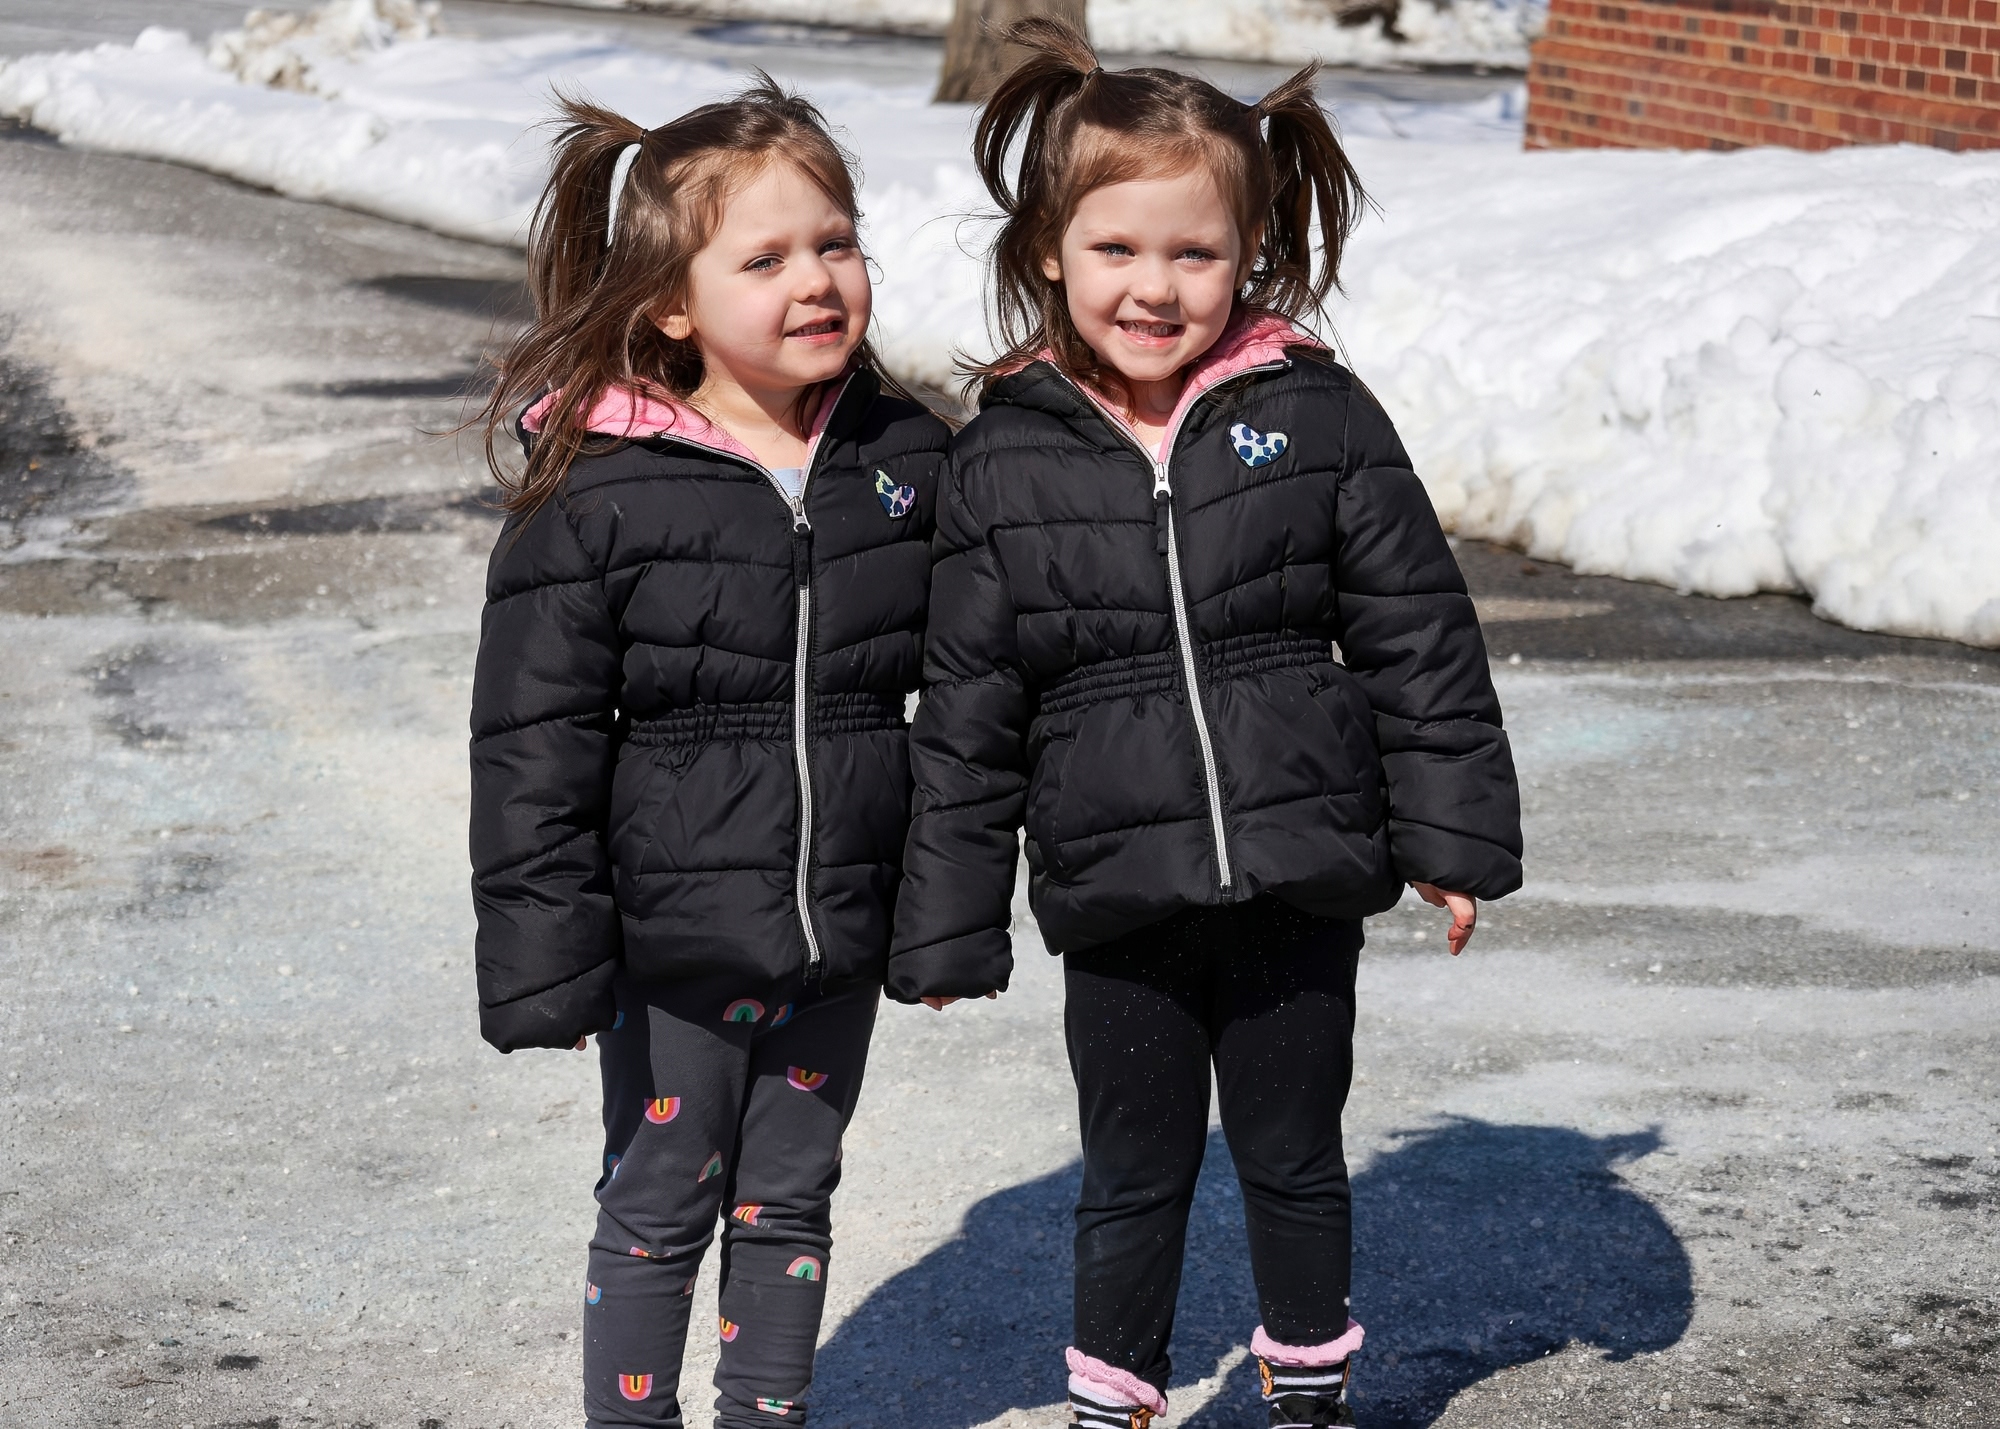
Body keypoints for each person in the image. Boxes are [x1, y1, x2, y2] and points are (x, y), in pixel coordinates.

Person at [887, 21, 1523, 1429]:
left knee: (1296, 1152)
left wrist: (1454, 832)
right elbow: (971, 710)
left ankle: (1308, 1393)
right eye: (1117, 250)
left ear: (1249, 254)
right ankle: (1118, 1397)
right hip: (1121, 897)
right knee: (1133, 1169)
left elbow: (1417, 630)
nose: (1156, 288)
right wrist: (943, 922)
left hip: (1299, 870)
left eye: (1194, 253)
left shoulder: (1316, 414)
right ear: (1050, 246)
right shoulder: (1005, 456)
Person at [466, 80, 946, 1429]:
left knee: (793, 1191)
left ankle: (762, 1417)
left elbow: (987, 670)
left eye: (837, 242)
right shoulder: (603, 488)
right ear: (671, 303)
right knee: (662, 1190)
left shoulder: (905, 459)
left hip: (838, 918)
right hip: (671, 935)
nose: (818, 279)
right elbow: (530, 740)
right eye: (768, 257)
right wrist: (545, 944)